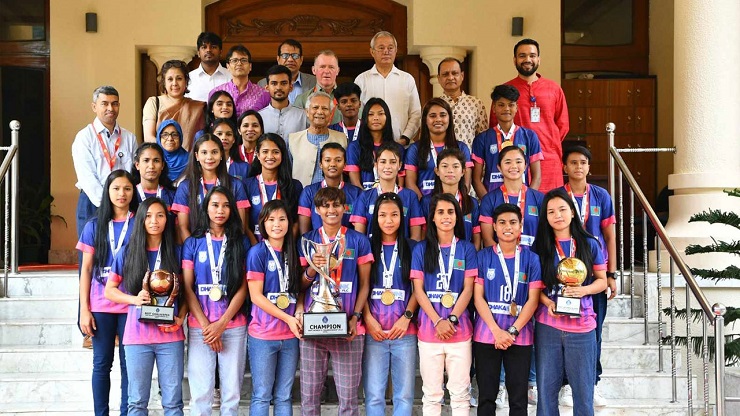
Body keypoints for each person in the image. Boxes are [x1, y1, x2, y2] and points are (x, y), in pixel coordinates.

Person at [104, 197, 186, 416]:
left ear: (167, 220)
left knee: (173, 403)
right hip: (137, 337)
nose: (154, 221)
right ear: (140, 220)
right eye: (148, 216)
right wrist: (134, 299)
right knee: (137, 402)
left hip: (170, 337)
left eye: (160, 215)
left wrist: (181, 317)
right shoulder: (128, 252)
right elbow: (109, 290)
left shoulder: (176, 252)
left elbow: (188, 292)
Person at [297, 187, 373, 416]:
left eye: (336, 205)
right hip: (313, 326)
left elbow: (365, 284)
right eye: (326, 206)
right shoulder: (307, 240)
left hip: (349, 329)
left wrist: (356, 317)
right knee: (309, 398)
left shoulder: (358, 240)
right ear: (317, 209)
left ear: (344, 208)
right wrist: (312, 269)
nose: (331, 210)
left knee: (349, 401)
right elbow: (298, 286)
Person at [532, 189, 608, 416]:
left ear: (573, 213)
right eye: (551, 211)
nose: (557, 215)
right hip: (549, 326)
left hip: (583, 327)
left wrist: (582, 290)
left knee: (583, 394)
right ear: (545, 217)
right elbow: (535, 289)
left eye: (562, 209)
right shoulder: (540, 248)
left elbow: (602, 282)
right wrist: (547, 303)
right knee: (546, 392)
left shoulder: (589, 244)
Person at [182, 186, 250, 415]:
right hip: (200, 327)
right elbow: (188, 288)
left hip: (233, 326)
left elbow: (244, 286)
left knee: (231, 394)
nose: (220, 210)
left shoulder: (240, 242)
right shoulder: (193, 243)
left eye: (225, 205)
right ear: (206, 208)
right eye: (215, 205)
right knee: (201, 394)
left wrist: (221, 324)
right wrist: (207, 327)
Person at [558, 145, 617, 406]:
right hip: (564, 275)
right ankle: (566, 386)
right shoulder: (558, 195)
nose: (578, 167)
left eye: (583, 162)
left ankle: (592, 382)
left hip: (595, 274)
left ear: (589, 167)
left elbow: (609, 235)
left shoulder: (602, 196)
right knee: (564, 331)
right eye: (573, 162)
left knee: (595, 332)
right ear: (564, 167)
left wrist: (612, 273)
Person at [411, 193, 477, 416]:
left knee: (460, 395)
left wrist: (451, 319)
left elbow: (468, 289)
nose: (446, 216)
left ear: (457, 217)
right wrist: (438, 321)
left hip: (460, 332)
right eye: (440, 212)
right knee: (431, 395)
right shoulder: (421, 249)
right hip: (429, 332)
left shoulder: (467, 249)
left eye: (450, 212)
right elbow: (418, 290)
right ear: (432, 218)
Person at [77, 170, 136, 416]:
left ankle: (126, 412)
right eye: (116, 188)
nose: (121, 194)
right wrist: (84, 310)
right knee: (101, 364)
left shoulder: (140, 222)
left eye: (127, 189)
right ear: (107, 192)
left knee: (129, 365)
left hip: (131, 304)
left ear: (134, 192)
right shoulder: (94, 224)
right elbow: (86, 268)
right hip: (101, 305)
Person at [473, 203, 542, 416]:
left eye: (513, 222)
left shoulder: (532, 258)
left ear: (521, 225)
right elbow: (478, 297)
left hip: (519, 337)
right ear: (493, 226)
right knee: (486, 397)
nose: (507, 227)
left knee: (518, 399)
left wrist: (512, 331)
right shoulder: (483, 256)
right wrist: (496, 331)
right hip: (487, 336)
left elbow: (533, 299)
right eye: (502, 223)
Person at [362, 192, 418, 416]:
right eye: (383, 215)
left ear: (401, 217)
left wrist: (406, 318)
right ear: (375, 218)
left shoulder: (413, 247)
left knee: (404, 395)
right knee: (374, 394)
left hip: (404, 332)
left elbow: (418, 288)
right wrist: (367, 319)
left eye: (394, 215)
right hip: (374, 331)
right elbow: (361, 286)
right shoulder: (366, 245)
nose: (388, 220)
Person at [246, 199, 303, 416]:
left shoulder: (294, 251)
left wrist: (297, 311)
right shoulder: (257, 253)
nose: (277, 224)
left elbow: (298, 290)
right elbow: (256, 296)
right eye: (271, 220)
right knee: (261, 394)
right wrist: (288, 318)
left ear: (290, 222)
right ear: (262, 224)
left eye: (282, 219)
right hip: (263, 335)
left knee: (284, 395)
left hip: (290, 336)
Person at [72, 85, 137, 252]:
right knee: (92, 255)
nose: (110, 108)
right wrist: (107, 203)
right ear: (94, 106)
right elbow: (87, 177)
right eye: (104, 103)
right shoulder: (84, 137)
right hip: (93, 203)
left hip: (123, 203)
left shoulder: (129, 138)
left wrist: (121, 203)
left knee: (122, 253)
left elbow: (133, 174)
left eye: (115, 104)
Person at [499, 39, 569, 192]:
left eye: (532, 55)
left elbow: (563, 125)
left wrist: (548, 144)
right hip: (515, 161)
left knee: (550, 208)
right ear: (515, 60)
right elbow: (496, 125)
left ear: (538, 59)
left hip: (549, 160)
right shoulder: (506, 91)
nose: (527, 60)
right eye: (522, 56)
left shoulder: (554, 89)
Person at [172, 134, 250, 243]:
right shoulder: (185, 187)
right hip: (196, 252)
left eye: (214, 152)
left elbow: (240, 226)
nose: (209, 157)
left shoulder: (236, 185)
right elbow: (182, 227)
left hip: (228, 249)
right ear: (196, 156)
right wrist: (193, 251)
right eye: (204, 152)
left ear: (221, 154)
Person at [473, 84, 543, 197]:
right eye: (501, 105)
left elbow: (537, 177)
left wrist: (528, 198)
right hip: (492, 200)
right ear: (494, 108)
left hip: (522, 201)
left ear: (516, 107)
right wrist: (488, 203)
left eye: (511, 105)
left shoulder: (530, 136)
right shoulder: (482, 138)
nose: (506, 109)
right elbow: (476, 179)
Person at [355, 31, 421, 146]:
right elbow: (357, 114)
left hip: (402, 146)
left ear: (396, 51)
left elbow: (416, 113)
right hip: (370, 147)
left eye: (390, 48)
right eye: (381, 48)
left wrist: (405, 138)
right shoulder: (361, 80)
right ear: (372, 52)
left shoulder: (407, 79)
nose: (386, 51)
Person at [351, 142, 423, 241]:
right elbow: (359, 237)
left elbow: (416, 237)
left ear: (399, 165)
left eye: (393, 162)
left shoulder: (410, 196)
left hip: (403, 254)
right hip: (372, 254)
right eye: (383, 162)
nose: (388, 166)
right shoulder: (365, 196)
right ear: (376, 165)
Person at [404, 98, 472, 199]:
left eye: (443, 115)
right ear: (425, 120)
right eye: (432, 116)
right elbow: (410, 184)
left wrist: (453, 205)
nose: (438, 119)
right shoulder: (415, 149)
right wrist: (425, 205)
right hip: (424, 209)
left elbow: (466, 184)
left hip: (453, 208)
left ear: (449, 118)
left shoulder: (461, 148)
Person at [479, 145, 544, 249]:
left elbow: (546, 236)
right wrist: (505, 259)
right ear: (499, 167)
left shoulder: (540, 199)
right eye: (508, 162)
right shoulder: (489, 199)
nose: (514, 166)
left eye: (518, 162)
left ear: (525, 165)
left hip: (533, 261)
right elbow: (488, 240)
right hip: (500, 262)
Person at [244, 133, 303, 242]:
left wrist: (286, 247)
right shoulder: (247, 185)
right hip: (256, 249)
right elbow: (245, 225)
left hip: (284, 248)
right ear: (257, 154)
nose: (270, 156)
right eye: (265, 152)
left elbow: (296, 222)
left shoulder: (294, 186)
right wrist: (256, 248)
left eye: (275, 152)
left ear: (282, 155)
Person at [420, 148, 481, 249]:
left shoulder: (471, 203)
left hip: (465, 260)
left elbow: (476, 238)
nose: (450, 170)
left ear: (463, 171)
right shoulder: (427, 202)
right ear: (437, 171)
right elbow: (423, 235)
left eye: (455, 166)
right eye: (445, 166)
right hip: (435, 259)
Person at [298, 143, 362, 234]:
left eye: (338, 160)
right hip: (317, 245)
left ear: (345, 165)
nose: (332, 164)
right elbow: (304, 234)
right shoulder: (309, 192)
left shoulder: (356, 193)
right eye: (327, 160)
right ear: (320, 164)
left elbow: (359, 234)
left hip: (348, 246)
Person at [287, 91, 347, 187]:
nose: (320, 112)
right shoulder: (293, 140)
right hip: (301, 197)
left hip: (335, 197)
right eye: (315, 107)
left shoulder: (342, 139)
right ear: (307, 111)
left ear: (331, 114)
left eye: (325, 108)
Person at [143, 60, 205, 151]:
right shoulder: (154, 103)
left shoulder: (197, 107)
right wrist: (170, 153)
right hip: (162, 160)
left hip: (188, 162)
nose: (174, 83)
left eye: (179, 78)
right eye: (170, 79)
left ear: (186, 81)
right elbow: (149, 137)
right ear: (164, 82)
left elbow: (202, 140)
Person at [344, 97, 403, 190]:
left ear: (387, 117)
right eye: (371, 114)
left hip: (391, 201)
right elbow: (355, 184)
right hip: (364, 200)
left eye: (380, 114)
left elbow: (400, 184)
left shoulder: (398, 148)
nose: (376, 118)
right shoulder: (354, 147)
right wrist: (367, 200)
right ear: (364, 118)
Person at [437, 57, 488, 150]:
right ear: (439, 78)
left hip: (468, 161)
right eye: (445, 74)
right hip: (440, 161)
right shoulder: (434, 106)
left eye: (454, 73)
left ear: (462, 76)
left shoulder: (476, 104)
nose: (450, 77)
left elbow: (483, 138)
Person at [210, 45, 270, 117]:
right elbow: (211, 121)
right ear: (228, 66)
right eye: (234, 60)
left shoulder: (263, 94)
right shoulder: (216, 92)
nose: (239, 63)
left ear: (250, 66)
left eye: (243, 60)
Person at [257, 39, 317, 104]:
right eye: (285, 55)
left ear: (301, 59)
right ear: (278, 59)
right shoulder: (262, 83)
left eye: (295, 56)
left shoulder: (314, 81)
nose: (290, 59)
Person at [293, 50, 343, 125]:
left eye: (331, 67)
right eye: (322, 67)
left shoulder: (347, 100)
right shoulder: (302, 100)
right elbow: (297, 128)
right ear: (314, 70)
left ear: (338, 71)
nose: (326, 71)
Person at [259, 65, 307, 138]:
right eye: (274, 83)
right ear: (267, 87)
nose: (278, 87)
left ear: (291, 87)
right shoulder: (259, 117)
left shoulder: (303, 116)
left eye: (283, 83)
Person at [186, 32, 231, 102]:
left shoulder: (231, 77)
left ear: (220, 52)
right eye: (204, 47)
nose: (208, 50)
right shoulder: (189, 78)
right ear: (198, 52)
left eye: (213, 47)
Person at [131, 142, 176, 209]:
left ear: (162, 165)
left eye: (156, 161)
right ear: (137, 165)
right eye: (146, 160)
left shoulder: (172, 195)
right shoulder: (130, 194)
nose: (151, 166)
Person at [211, 118, 250, 182]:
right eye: (219, 134)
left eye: (229, 134)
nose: (224, 138)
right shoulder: (205, 165)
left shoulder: (245, 168)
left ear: (234, 139)